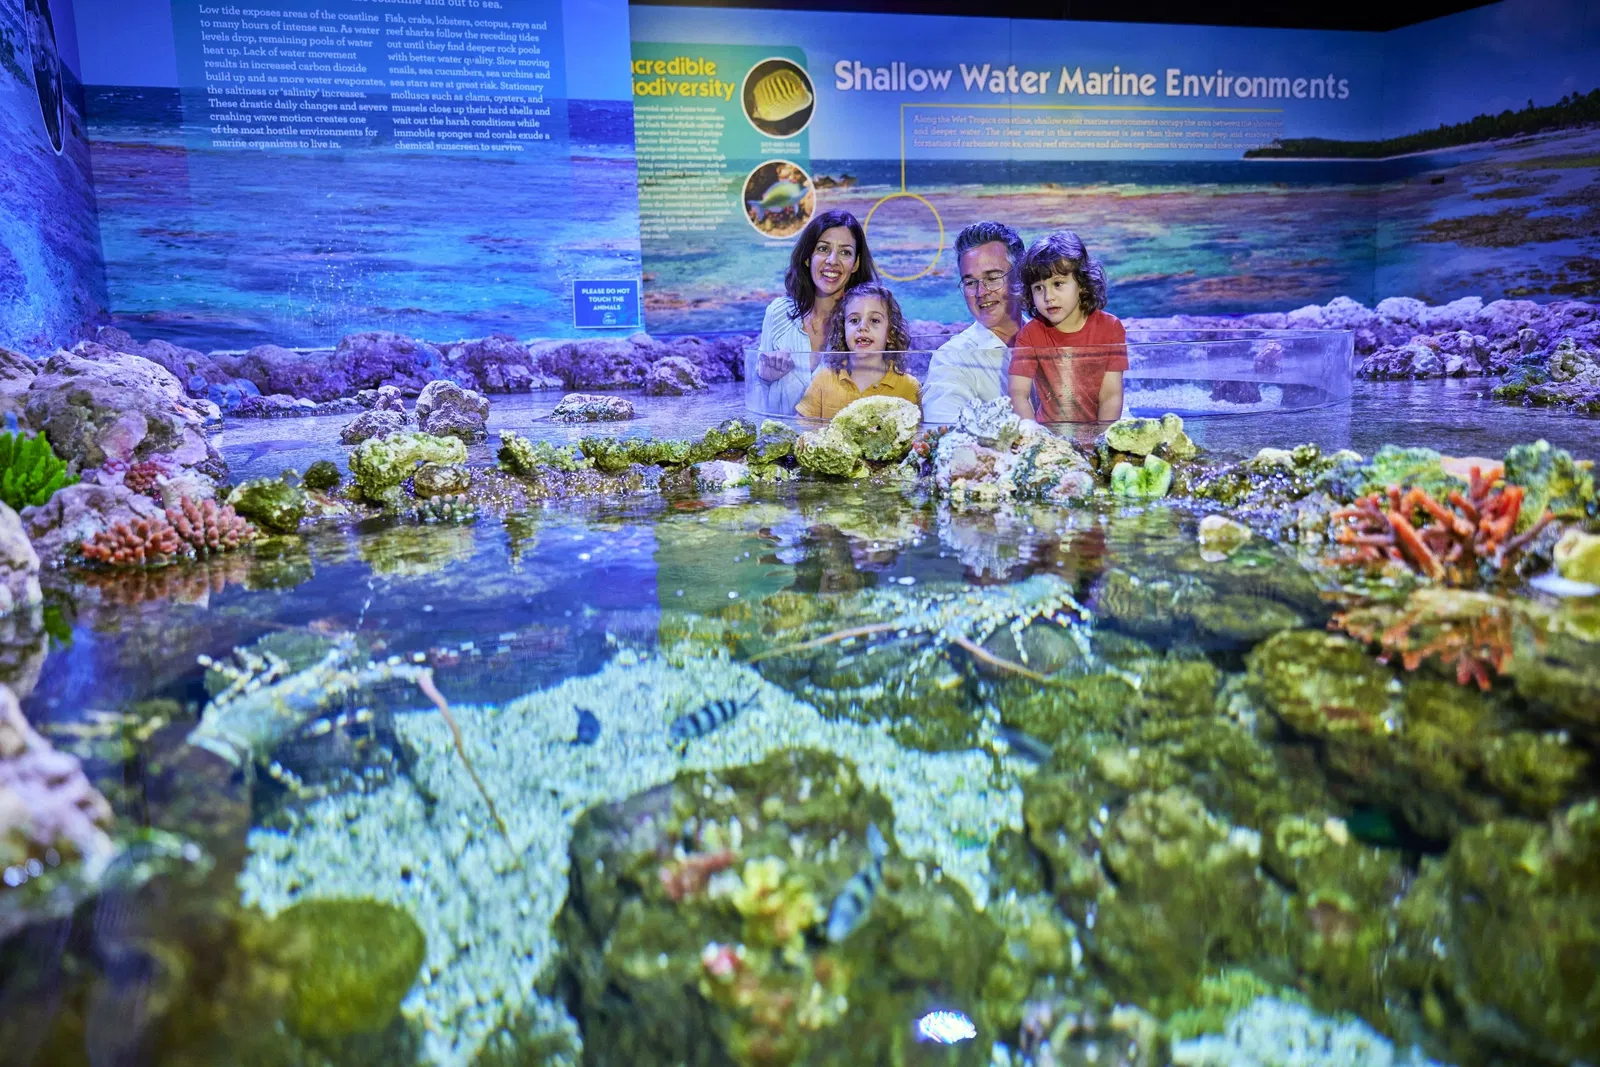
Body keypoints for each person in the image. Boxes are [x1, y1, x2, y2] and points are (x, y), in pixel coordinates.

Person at [754, 210, 878, 415]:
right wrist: (765, 377)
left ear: (855, 264)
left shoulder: (866, 322)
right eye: (823, 249)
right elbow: (757, 398)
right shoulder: (778, 313)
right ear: (807, 257)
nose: (832, 260)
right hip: (782, 443)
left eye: (845, 252)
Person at [1008, 231, 1125, 423]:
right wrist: (1034, 436)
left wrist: (1100, 441)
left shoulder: (1111, 328)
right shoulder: (1030, 334)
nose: (1048, 297)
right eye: (1038, 288)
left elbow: (1111, 395)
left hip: (1098, 434)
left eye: (1058, 284)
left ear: (1082, 284)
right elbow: (1018, 394)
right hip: (1048, 436)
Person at [920, 221, 1025, 423]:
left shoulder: (1053, 337)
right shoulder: (951, 359)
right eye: (970, 282)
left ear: (1020, 275)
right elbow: (944, 434)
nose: (981, 292)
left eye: (993, 278)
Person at [796, 282, 920, 419]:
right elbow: (801, 431)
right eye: (854, 320)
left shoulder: (909, 387)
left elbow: (918, 436)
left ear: (890, 334)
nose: (862, 327)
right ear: (843, 330)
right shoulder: (823, 380)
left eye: (874, 320)